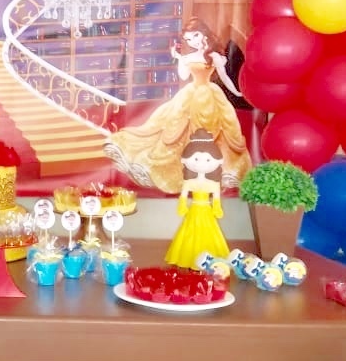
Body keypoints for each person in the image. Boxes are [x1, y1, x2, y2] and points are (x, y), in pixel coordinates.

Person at [103, 16, 251, 193]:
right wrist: (179, 58)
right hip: (191, 94)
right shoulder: (188, 57)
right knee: (173, 126)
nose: (193, 41)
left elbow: (224, 77)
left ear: (203, 34)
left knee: (216, 131)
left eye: (195, 36)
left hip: (210, 96)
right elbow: (183, 76)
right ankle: (183, 172)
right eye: (189, 39)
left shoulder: (214, 56)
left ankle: (210, 173)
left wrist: (237, 92)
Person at [164, 129, 230, 269]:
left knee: (208, 233)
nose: (201, 163)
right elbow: (183, 196)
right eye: (196, 159)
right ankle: (189, 258)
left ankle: (209, 260)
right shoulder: (189, 182)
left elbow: (216, 199)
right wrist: (182, 205)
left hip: (206, 211)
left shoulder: (213, 184)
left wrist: (217, 208)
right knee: (189, 233)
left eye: (207, 160)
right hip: (193, 210)